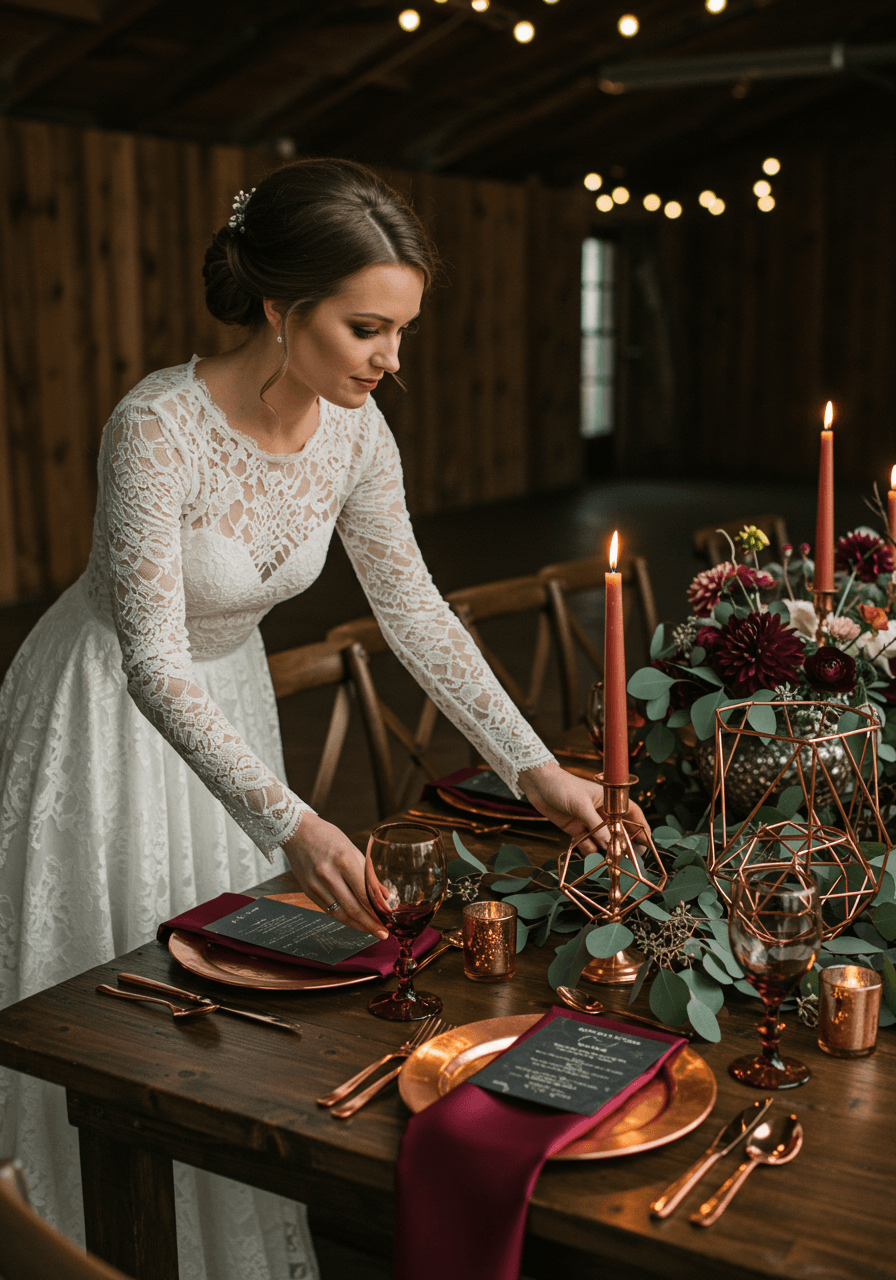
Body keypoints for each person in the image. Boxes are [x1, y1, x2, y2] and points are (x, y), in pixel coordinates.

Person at [0, 158, 643, 1280]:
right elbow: (152, 660)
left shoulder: (353, 435)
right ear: (279, 308)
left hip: (230, 700)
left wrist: (537, 770)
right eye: (366, 328)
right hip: (108, 711)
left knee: (218, 1001)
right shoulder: (153, 427)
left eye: (399, 330)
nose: (391, 360)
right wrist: (295, 823)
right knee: (110, 990)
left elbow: (419, 617)